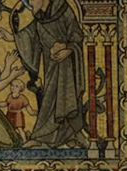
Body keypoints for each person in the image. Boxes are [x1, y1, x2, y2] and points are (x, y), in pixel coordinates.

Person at [11, 0, 87, 149]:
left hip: (67, 67)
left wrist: (67, 49)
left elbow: (77, 36)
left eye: (31, 0)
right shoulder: (40, 17)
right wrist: (13, 30)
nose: (30, 4)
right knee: (50, 99)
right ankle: (45, 138)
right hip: (50, 67)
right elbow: (28, 36)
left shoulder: (64, 10)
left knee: (65, 98)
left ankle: (68, 135)